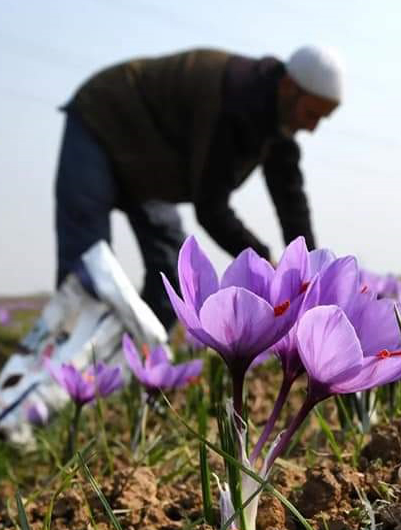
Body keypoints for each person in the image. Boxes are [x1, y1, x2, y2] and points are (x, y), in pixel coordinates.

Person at [53, 45, 343, 330]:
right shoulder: (231, 100)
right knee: (86, 261)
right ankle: (68, 361)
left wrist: (308, 274)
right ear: (289, 87)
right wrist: (264, 262)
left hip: (152, 160)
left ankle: (135, 359)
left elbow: (291, 201)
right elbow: (211, 208)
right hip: (104, 120)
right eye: (311, 113)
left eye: (322, 118)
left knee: (172, 272)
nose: (313, 127)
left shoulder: (280, 123)